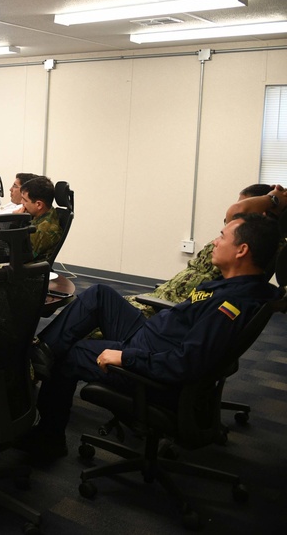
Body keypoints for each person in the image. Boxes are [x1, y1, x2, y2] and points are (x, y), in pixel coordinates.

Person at [19, 213, 279, 461]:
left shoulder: (229, 305)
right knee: (99, 294)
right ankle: (40, 351)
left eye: (222, 237)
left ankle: (49, 440)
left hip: (150, 364)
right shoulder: (232, 285)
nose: (214, 242)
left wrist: (125, 357)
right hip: (151, 337)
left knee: (73, 354)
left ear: (241, 250)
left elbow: (185, 364)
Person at [125, 184, 275, 317]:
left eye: (244, 205)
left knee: (102, 302)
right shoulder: (233, 243)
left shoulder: (249, 245)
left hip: (165, 309)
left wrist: (274, 199)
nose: (216, 242)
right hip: (161, 297)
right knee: (103, 297)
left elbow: (235, 211)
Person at [20, 175, 62, 264]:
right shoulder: (44, 213)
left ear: (39, 205)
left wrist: (16, 221)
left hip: (27, 270)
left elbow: (21, 255)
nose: (21, 203)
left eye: (25, 200)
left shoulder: (44, 229)